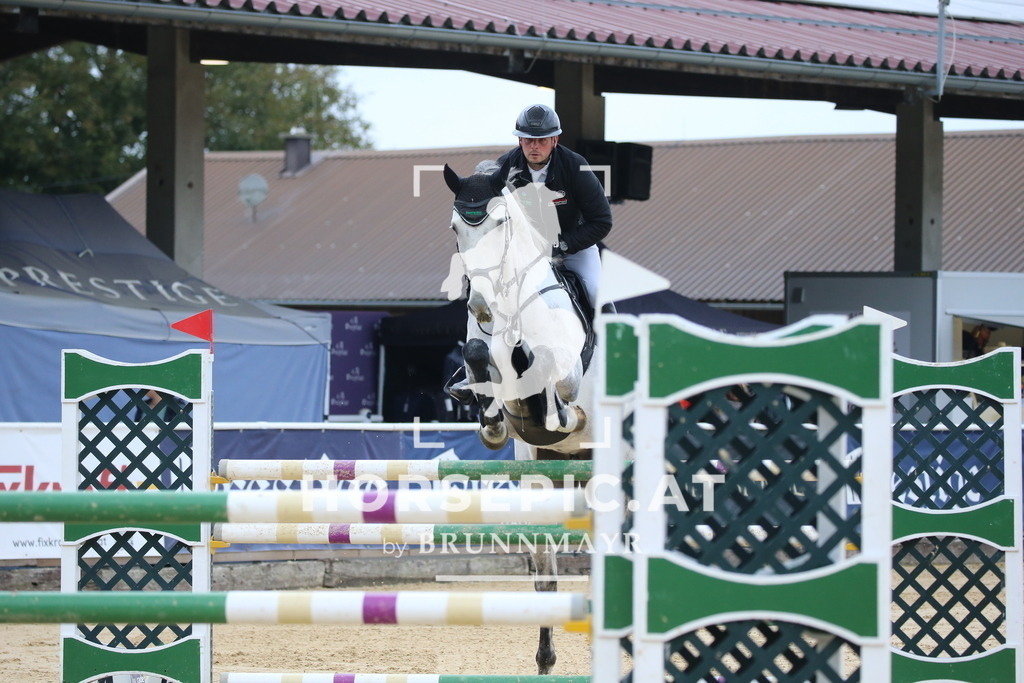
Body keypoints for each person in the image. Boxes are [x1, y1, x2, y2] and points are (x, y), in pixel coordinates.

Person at [495, 103, 613, 312]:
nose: (534, 146)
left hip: (574, 248)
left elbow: (602, 221)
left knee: (597, 292)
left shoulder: (576, 167)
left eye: (541, 141)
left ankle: (611, 341)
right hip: (525, 252)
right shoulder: (503, 169)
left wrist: (563, 245)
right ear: (520, 140)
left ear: (554, 140)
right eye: (529, 140)